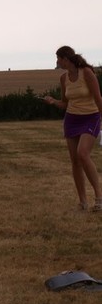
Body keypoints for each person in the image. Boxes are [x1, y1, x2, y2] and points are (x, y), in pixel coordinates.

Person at [43, 45, 102, 211]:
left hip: (91, 117)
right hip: (72, 119)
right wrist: (53, 101)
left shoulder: (87, 73)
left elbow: (98, 98)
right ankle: (83, 202)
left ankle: (99, 198)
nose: (57, 62)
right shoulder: (63, 78)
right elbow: (65, 103)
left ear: (66, 59)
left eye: (58, 59)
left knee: (83, 154)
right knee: (75, 161)